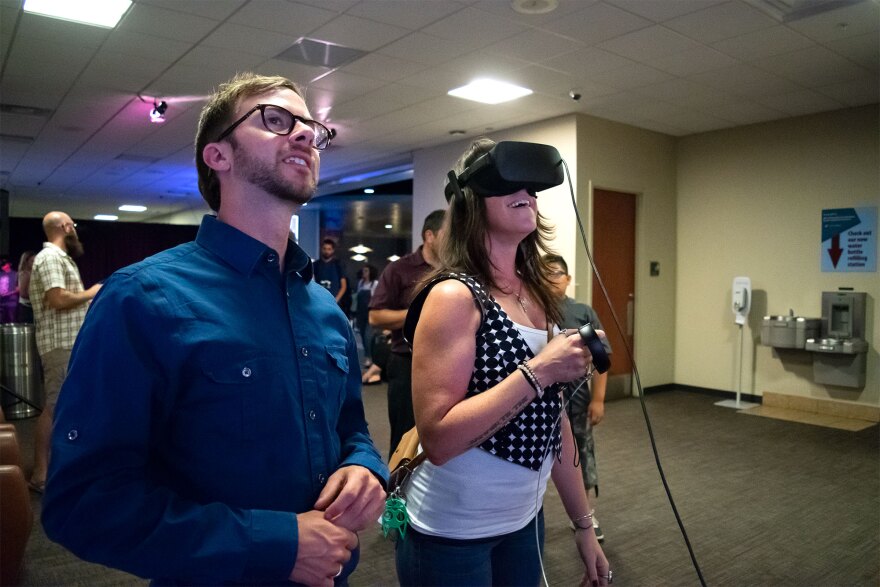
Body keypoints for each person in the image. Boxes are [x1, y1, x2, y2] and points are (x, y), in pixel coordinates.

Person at [42, 72, 388, 586]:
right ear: (217, 156)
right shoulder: (143, 298)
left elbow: (351, 427)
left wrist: (365, 468)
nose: (304, 135)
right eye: (276, 119)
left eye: (312, 128)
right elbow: (84, 502)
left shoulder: (323, 308)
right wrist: (276, 543)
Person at [395, 138, 610, 587]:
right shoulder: (453, 296)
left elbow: (555, 424)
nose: (528, 193)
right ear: (472, 200)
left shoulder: (534, 296)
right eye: (512, 183)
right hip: (453, 532)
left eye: (533, 188)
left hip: (523, 523)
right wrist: (540, 372)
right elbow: (438, 438)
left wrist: (584, 526)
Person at [28, 213, 101, 493]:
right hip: (59, 345)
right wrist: (92, 292)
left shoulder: (59, 258)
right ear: (65, 227)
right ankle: (40, 475)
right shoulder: (50, 258)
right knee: (55, 406)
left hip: (67, 344)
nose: (75, 230)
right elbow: (57, 299)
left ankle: (55, 468)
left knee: (63, 405)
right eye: (73, 225)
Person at [543, 253, 612, 543]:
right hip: (536, 398)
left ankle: (585, 515)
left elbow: (601, 358)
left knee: (579, 454)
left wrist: (598, 399)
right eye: (544, 272)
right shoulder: (532, 309)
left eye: (557, 273)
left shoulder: (582, 313)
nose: (550, 278)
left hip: (576, 398)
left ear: (568, 279)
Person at [369, 209, 445, 458]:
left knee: (443, 440)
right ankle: (397, 496)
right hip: (406, 365)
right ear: (429, 236)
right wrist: (420, 312)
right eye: (450, 234)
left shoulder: (458, 271)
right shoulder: (400, 269)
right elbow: (376, 316)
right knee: (404, 440)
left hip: (449, 365)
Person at [314, 238, 349, 317]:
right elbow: (312, 283)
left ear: (333, 250)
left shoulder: (338, 265)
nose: (327, 251)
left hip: (334, 303)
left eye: (329, 249)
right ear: (321, 249)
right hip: (319, 302)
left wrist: (335, 300)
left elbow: (344, 286)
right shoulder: (315, 265)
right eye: (325, 249)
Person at [354, 264, 378, 366]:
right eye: (363, 270)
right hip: (361, 313)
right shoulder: (360, 283)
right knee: (363, 336)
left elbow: (376, 299)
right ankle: (367, 356)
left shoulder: (375, 284)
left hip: (370, 313)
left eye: (366, 271)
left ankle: (371, 357)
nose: (364, 272)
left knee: (369, 336)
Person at [16, 251, 36, 323]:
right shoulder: (25, 274)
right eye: (32, 261)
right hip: (26, 307)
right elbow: (23, 293)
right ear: (26, 262)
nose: (34, 263)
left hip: (31, 306)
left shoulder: (32, 273)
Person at [0, 256, 17, 323]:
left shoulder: (15, 274)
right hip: (1, 301)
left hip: (11, 302)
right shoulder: (0, 274)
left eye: (4, 263)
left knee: (12, 319)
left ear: (9, 264)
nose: (2, 265)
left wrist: (8, 293)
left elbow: (19, 288)